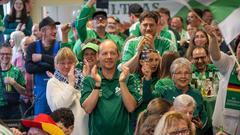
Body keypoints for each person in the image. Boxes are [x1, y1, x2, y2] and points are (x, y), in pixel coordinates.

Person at [80, 40, 142, 135]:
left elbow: (131, 107)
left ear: (119, 56)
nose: (109, 57)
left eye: (112, 53)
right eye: (104, 53)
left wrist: (122, 83)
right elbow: (88, 109)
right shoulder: (89, 80)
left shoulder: (128, 78)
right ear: (98, 56)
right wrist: (97, 84)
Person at [154, 57, 208, 131]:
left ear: (191, 75)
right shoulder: (165, 92)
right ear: (173, 76)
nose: (183, 76)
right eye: (179, 73)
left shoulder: (197, 94)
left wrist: (201, 124)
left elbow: (203, 115)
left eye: (186, 73)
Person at [205, 23, 240, 135]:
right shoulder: (230, 62)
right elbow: (215, 55)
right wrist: (213, 39)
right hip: (223, 125)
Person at [46, 47, 88, 135]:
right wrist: (71, 85)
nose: (66, 66)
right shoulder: (53, 82)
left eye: (70, 62)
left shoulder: (81, 79)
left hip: (85, 129)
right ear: (56, 64)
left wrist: (87, 79)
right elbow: (58, 108)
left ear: (75, 63)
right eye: (62, 63)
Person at [25, 16, 60, 115]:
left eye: (55, 28)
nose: (55, 31)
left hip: (58, 92)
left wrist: (42, 57)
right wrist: (51, 65)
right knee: (40, 124)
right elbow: (29, 68)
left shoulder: (60, 45)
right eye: (52, 28)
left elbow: (61, 65)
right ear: (43, 31)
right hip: (40, 93)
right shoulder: (32, 46)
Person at [130, 48, 161, 134]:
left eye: (156, 60)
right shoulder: (133, 79)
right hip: (136, 123)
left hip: (155, 123)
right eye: (150, 60)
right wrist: (147, 79)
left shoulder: (160, 80)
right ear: (141, 62)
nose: (155, 63)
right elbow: (146, 99)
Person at [0, 44, 26, 119]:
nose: (5, 56)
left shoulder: (16, 71)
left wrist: (14, 83)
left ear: (11, 55)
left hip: (13, 110)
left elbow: (24, 92)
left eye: (8, 54)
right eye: (2, 54)